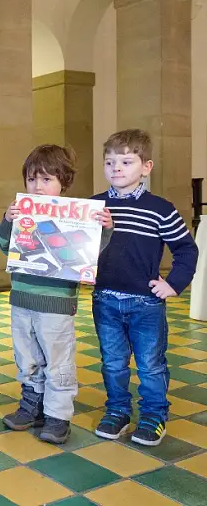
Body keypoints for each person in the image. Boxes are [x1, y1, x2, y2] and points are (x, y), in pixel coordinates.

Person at [0, 145, 113, 444]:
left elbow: (90, 253)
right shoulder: (21, 211)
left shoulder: (76, 216)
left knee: (58, 361)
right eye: (33, 179)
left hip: (57, 304)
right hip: (21, 300)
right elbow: (4, 246)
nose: (38, 186)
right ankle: (31, 406)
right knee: (27, 358)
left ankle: (58, 416)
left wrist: (105, 230)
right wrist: (7, 222)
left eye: (47, 179)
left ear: (64, 181)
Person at [91, 129, 198, 447]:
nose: (116, 168)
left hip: (146, 303)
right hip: (105, 298)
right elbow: (79, 246)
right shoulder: (95, 205)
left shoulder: (161, 208)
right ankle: (118, 410)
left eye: (126, 161)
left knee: (150, 363)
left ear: (146, 167)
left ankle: (154, 414)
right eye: (110, 162)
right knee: (112, 361)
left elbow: (186, 250)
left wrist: (174, 284)